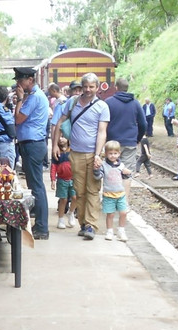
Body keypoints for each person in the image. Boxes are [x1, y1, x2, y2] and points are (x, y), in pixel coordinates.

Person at [51, 72, 109, 241]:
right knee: (79, 190)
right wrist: (55, 145)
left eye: (92, 87)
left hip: (93, 154)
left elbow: (102, 132)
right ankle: (83, 223)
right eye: (85, 87)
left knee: (92, 189)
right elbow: (60, 122)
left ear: (97, 88)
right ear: (81, 87)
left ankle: (91, 225)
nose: (88, 90)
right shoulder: (73, 102)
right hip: (75, 153)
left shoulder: (102, 107)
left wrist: (98, 154)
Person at [13, 66, 51, 239]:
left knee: (37, 187)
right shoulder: (35, 96)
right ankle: (39, 222)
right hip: (32, 144)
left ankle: (42, 228)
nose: (18, 85)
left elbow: (18, 118)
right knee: (35, 185)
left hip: (33, 144)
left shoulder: (33, 97)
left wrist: (20, 99)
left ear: (30, 80)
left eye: (20, 81)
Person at [105, 77, 147, 173]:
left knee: (111, 172)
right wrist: (137, 139)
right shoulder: (135, 103)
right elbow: (143, 124)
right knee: (126, 173)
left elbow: (103, 123)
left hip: (112, 143)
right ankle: (125, 188)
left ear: (116, 87)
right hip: (129, 142)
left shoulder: (108, 102)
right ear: (127, 88)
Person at [94, 140, 131, 242]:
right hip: (108, 194)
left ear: (119, 153)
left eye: (115, 153)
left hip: (120, 194)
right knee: (110, 214)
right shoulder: (104, 165)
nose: (113, 156)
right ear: (105, 154)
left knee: (123, 213)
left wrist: (128, 173)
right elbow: (98, 177)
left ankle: (121, 230)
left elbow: (125, 176)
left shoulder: (121, 165)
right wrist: (96, 170)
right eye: (110, 153)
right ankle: (109, 230)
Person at [52, 134, 76, 229]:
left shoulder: (72, 150)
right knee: (63, 200)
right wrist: (53, 179)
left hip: (73, 179)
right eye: (59, 136)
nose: (61, 139)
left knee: (75, 197)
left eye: (64, 136)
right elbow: (53, 167)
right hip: (62, 179)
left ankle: (71, 212)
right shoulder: (56, 152)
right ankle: (61, 219)